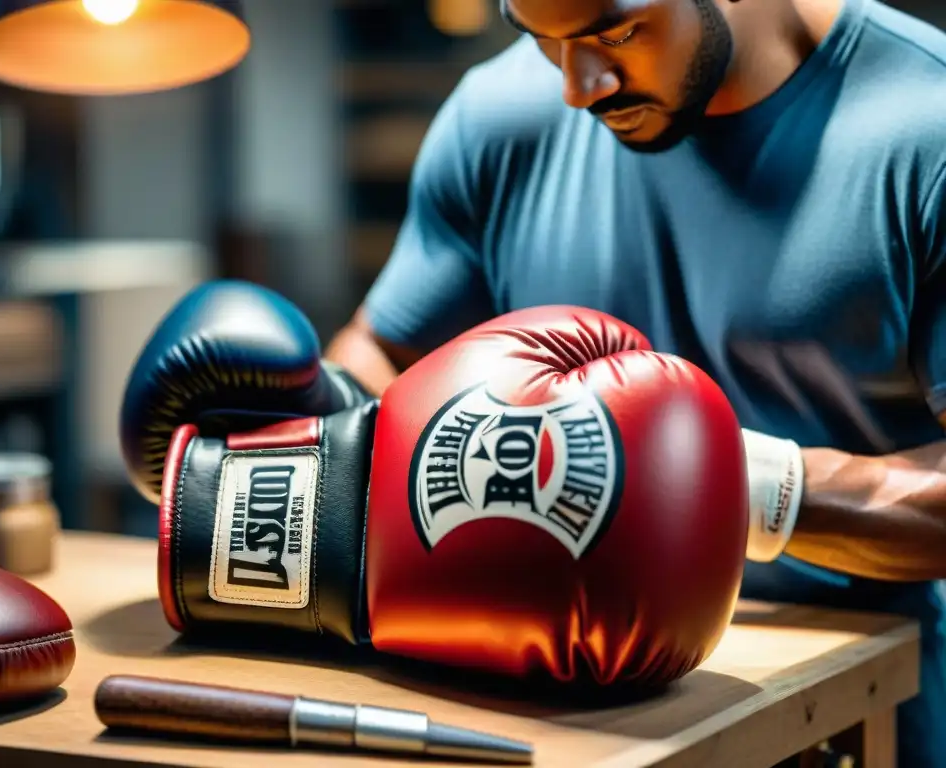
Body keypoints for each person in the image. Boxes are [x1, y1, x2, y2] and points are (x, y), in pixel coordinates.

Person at [323, 0, 946, 762]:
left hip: (849, 720)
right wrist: (300, 427)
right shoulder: (500, 115)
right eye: (543, 39)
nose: (579, 87)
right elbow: (378, 352)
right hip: (549, 716)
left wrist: (732, 488)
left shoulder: (925, 126)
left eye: (616, 33)